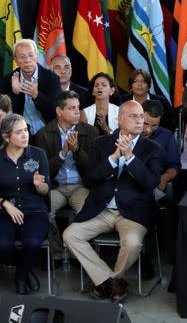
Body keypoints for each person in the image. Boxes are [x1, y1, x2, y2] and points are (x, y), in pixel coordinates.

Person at [63, 101, 164, 304]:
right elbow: (90, 179)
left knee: (133, 243)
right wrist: (113, 158)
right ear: (119, 118)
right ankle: (111, 282)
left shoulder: (153, 149)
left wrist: (129, 157)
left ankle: (111, 280)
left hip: (133, 213)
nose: (140, 121)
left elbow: (151, 183)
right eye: (133, 116)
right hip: (101, 209)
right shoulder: (100, 143)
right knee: (70, 235)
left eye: (141, 117)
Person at [34, 91, 99, 262]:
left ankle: (74, 252)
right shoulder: (43, 134)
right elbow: (43, 170)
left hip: (81, 186)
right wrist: (62, 154)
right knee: (43, 212)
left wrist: (76, 150)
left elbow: (93, 167)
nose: (77, 112)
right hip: (56, 186)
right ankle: (57, 253)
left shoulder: (91, 132)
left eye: (78, 108)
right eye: (72, 108)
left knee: (87, 213)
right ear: (59, 111)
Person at [0, 114, 50, 295]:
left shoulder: (38, 155)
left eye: (26, 130)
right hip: (5, 212)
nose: (25, 135)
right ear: (7, 137)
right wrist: (5, 203)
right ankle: (26, 270)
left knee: (33, 242)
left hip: (34, 210)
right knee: (2, 245)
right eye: (19, 132)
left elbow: (46, 190)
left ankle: (21, 276)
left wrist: (40, 186)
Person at [0, 39, 61, 135]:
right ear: (15, 60)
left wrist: (36, 96)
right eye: (22, 57)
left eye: (31, 55)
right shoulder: (7, 80)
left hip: (47, 133)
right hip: (19, 134)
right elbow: (5, 115)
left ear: (37, 56)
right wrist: (15, 93)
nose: (27, 60)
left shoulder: (52, 79)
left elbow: (56, 110)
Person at [140, 100, 180, 192]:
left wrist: (164, 178)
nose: (148, 130)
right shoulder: (126, 132)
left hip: (156, 186)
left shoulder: (167, 135)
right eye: (145, 124)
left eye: (154, 125)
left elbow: (174, 165)